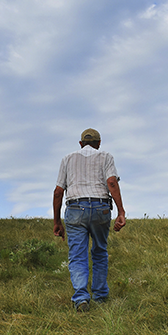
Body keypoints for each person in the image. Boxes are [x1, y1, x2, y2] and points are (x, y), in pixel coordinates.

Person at [53, 128, 126, 312]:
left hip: (75, 208)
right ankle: (100, 296)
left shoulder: (67, 159)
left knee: (77, 255)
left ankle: (81, 298)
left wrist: (57, 222)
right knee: (100, 251)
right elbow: (111, 183)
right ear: (99, 143)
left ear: (80, 144)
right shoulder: (106, 156)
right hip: (101, 208)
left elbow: (58, 192)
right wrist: (121, 211)